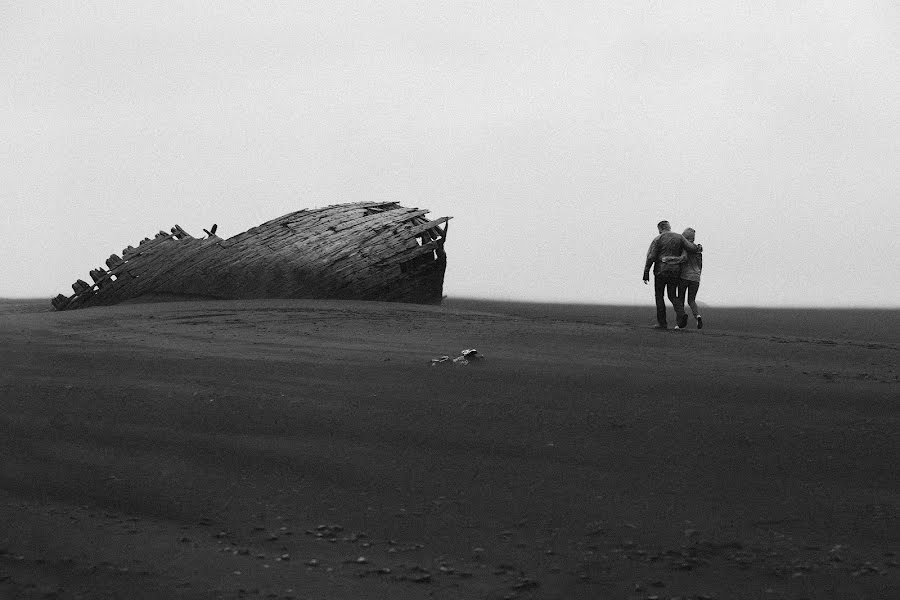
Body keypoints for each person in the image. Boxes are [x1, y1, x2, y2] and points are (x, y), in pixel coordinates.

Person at [642, 221, 701, 329]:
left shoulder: (658, 239)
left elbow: (651, 256)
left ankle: (662, 323)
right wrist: (698, 248)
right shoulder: (679, 237)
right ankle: (681, 314)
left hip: (661, 271)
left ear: (660, 229)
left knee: (659, 296)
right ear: (669, 227)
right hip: (675, 271)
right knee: (672, 295)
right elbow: (691, 248)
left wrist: (646, 272)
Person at [661, 227, 703, 329]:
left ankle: (680, 323)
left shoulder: (685, 249)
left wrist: (668, 259)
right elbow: (700, 265)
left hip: (684, 277)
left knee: (680, 300)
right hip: (696, 278)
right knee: (691, 300)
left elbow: (682, 259)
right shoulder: (698, 250)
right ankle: (697, 316)